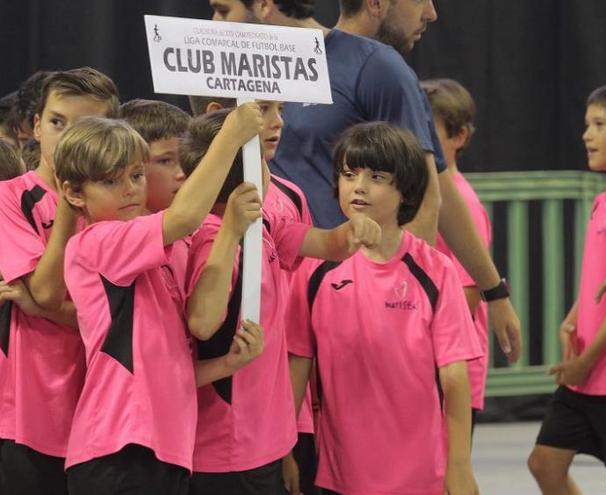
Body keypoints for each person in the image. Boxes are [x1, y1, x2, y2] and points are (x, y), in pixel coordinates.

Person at [214, 0, 522, 362]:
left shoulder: (376, 66)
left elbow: (425, 194)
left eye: (223, 11)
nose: (432, 13)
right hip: (264, 294)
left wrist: (418, 303)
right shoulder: (242, 73)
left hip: (342, 299)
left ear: (264, 6)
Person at [55, 107, 266, 494]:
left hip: (167, 451)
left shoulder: (165, 252)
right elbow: (185, 216)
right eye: (110, 181)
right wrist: (229, 136)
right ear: (73, 192)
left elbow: (171, 372)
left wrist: (226, 364)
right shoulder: (95, 242)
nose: (129, 189)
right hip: (117, 448)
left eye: (135, 176)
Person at [180, 109, 380, 495]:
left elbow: (324, 243)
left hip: (263, 438)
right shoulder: (210, 237)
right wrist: (230, 233)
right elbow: (203, 322)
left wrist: (353, 232)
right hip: (224, 446)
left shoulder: (263, 227)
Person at [288, 122, 480, 495]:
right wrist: (285, 452)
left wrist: (459, 465)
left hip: (423, 473)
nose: (358, 186)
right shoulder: (315, 269)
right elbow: (299, 364)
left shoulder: (435, 270)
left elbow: (455, 380)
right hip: (339, 472)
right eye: (348, 174)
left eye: (376, 176)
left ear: (406, 190)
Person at [0, 67, 117, 495]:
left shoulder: (122, 201)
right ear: (36, 126)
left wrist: (38, 307)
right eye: (57, 122)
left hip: (105, 413)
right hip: (26, 415)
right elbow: (49, 289)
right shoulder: (10, 196)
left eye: (86, 126)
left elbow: (122, 318)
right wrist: (71, 205)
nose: (68, 138)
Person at [528, 82, 606, 495]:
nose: (586, 135)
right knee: (545, 463)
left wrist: (587, 361)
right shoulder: (604, 200)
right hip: (585, 374)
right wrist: (572, 320)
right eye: (586, 124)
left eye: (599, 124)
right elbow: (602, 281)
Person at [422, 78, 492, 423]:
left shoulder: (461, 203)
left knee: (450, 472)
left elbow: (468, 292)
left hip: (452, 366)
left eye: (427, 129)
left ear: (459, 136)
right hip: (430, 360)